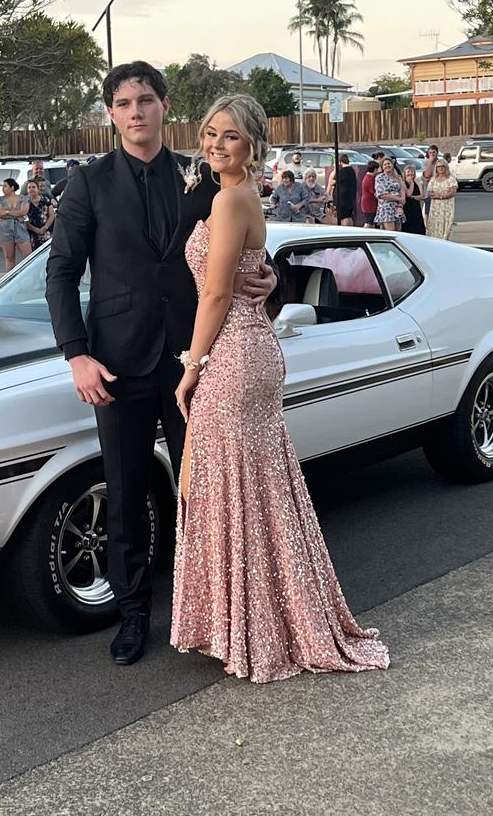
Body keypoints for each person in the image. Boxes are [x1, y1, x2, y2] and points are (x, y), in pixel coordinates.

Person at [45, 61, 276, 667]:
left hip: (196, 361)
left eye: (145, 100)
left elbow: (238, 250)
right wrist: (77, 356)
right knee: (123, 493)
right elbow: (61, 274)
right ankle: (132, 615)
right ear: (111, 114)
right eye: (123, 103)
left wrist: (267, 274)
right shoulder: (88, 183)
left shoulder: (202, 177)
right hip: (116, 364)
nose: (136, 112)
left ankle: (204, 610)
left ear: (164, 106)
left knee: (200, 491)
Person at [170, 94, 389, 683]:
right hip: (252, 348)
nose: (217, 144)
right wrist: (258, 281)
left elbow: (215, 295)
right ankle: (263, 619)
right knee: (255, 487)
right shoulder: (242, 196)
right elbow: (248, 276)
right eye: (211, 133)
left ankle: (256, 628)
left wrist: (191, 366)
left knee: (229, 486)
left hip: (235, 355)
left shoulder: (229, 198)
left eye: (231, 137)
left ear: (253, 145)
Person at [0, 178, 31, 271]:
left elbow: (23, 211)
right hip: (5, 230)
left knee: (28, 257)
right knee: (9, 258)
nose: (3, 188)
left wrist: (7, 212)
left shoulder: (23, 198)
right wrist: (16, 214)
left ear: (12, 187)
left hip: (20, 229)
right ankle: (10, 279)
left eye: (5, 186)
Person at [426, 159, 458, 240]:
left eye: (442, 166)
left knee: (446, 226)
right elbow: (429, 193)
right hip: (435, 208)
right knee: (435, 226)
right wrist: (439, 195)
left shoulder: (451, 179)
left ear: (446, 167)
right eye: (438, 166)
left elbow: (452, 192)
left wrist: (441, 196)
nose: (440, 168)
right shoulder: (433, 179)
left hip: (447, 207)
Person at [374, 157, 405, 231]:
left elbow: (402, 190)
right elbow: (382, 195)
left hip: (398, 208)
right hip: (386, 209)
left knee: (399, 234)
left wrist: (400, 205)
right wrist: (398, 198)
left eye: (388, 163)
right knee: (391, 233)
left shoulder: (397, 177)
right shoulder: (379, 178)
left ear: (392, 165)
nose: (387, 165)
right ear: (382, 167)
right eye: (384, 164)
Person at [327, 153, 357, 226]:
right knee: (349, 216)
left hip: (342, 198)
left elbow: (331, 183)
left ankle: (345, 231)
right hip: (350, 197)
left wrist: (334, 171)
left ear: (340, 162)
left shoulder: (341, 172)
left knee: (343, 217)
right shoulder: (351, 170)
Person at [25, 179, 55, 251]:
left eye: (33, 187)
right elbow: (23, 218)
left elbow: (51, 215)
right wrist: (36, 230)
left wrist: (45, 227)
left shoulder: (46, 200)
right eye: (29, 187)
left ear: (38, 189)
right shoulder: (24, 202)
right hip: (31, 234)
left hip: (45, 231)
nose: (31, 189)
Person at [402, 165, 426, 235]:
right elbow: (407, 194)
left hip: (415, 207)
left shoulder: (418, 183)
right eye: (408, 172)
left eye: (412, 172)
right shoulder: (403, 183)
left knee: (418, 226)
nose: (410, 173)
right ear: (405, 173)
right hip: (407, 207)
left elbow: (422, 196)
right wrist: (411, 183)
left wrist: (413, 197)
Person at [421, 144, 439, 218]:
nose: (432, 154)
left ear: (437, 152)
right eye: (430, 153)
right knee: (428, 213)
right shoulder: (425, 163)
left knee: (438, 212)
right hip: (428, 191)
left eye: (434, 152)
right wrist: (430, 162)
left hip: (438, 189)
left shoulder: (440, 162)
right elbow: (427, 175)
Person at [360, 160, 380, 226]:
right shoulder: (370, 179)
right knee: (369, 222)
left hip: (368, 204)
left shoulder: (367, 177)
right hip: (369, 205)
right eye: (377, 169)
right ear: (375, 169)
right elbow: (374, 192)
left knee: (371, 222)